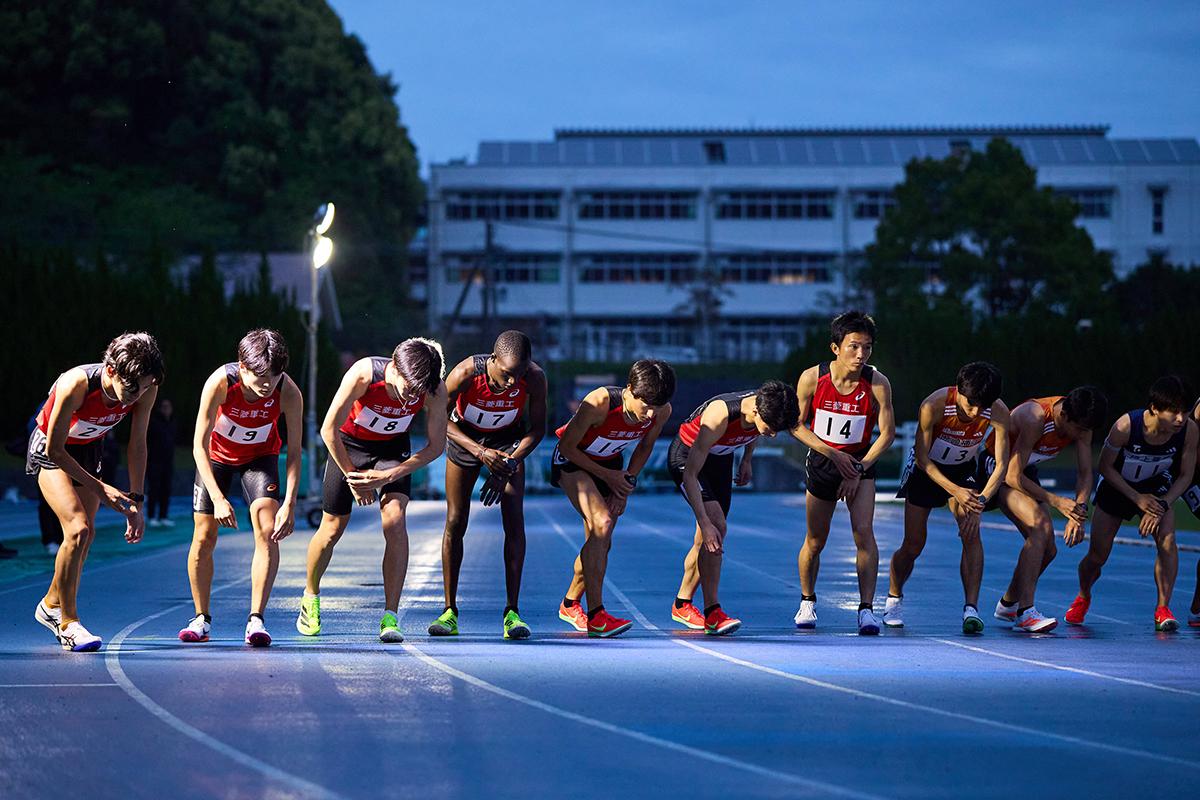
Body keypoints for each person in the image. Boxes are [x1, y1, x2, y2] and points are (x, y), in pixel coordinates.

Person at [298, 339, 448, 643]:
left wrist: (389, 475)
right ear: (394, 368)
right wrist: (353, 477)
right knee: (332, 528)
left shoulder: (433, 389)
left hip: (392, 450)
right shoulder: (364, 375)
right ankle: (310, 595)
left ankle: (391, 615)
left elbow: (436, 447)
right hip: (348, 447)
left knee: (395, 521)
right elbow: (327, 429)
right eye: (407, 388)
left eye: (418, 392)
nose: (411, 397)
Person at [29, 332, 163, 651]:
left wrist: (136, 502)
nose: (135, 397)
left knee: (84, 539)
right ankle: (69, 623)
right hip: (52, 449)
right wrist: (103, 490)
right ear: (112, 370)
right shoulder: (75, 384)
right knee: (77, 529)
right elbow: (56, 450)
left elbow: (138, 444)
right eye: (131, 388)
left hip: (89, 449)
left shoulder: (146, 386)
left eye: (144, 388)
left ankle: (50, 605)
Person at [179, 330, 303, 647]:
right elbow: (197, 445)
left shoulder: (289, 392)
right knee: (204, 534)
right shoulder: (220, 383)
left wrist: (289, 501)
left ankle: (256, 619)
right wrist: (218, 498)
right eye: (258, 382)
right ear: (242, 367)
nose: (265, 390)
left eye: (272, 382)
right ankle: (201, 618)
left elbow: (295, 452)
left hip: (260, 458)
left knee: (267, 529)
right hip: (215, 458)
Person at [428, 330, 547, 639]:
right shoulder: (466, 373)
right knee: (455, 520)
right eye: (507, 374)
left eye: (519, 374)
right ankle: (449, 611)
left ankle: (512, 613)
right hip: (467, 442)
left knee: (514, 523)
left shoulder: (533, 377)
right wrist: (480, 452)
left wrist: (508, 463)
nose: (512, 382)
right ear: (493, 360)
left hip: (509, 444)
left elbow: (538, 428)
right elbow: (439, 419)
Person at [553, 360, 675, 637]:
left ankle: (571, 603)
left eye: (656, 407)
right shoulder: (599, 403)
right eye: (645, 406)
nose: (650, 414)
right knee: (603, 523)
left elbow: (646, 446)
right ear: (630, 390)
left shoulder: (660, 410)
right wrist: (610, 478)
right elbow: (567, 447)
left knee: (600, 542)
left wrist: (626, 483)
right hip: (573, 463)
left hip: (611, 467)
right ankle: (597, 615)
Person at [791, 311, 896, 635]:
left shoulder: (877, 383)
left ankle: (866, 610)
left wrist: (859, 468)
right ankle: (807, 601)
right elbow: (795, 424)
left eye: (867, 348)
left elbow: (888, 433)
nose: (860, 355)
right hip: (824, 460)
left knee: (864, 532)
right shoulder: (812, 378)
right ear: (835, 348)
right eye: (853, 347)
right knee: (816, 539)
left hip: (860, 463)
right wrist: (832, 455)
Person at [886, 362, 1010, 634]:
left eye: (983, 406)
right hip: (927, 471)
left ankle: (971, 609)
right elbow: (921, 458)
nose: (976, 412)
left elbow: (1001, 465)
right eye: (971, 405)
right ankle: (894, 597)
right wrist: (954, 490)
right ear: (959, 391)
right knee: (914, 544)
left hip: (963, 470)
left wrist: (981, 500)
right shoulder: (935, 405)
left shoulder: (998, 411)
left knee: (971, 532)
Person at [1065, 376, 1197, 632]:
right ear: (1154, 408)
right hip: (1118, 488)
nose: (1180, 419)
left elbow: (1185, 476)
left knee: (1168, 541)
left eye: (1185, 411)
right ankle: (1083, 595)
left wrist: (1162, 504)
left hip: (1157, 490)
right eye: (1174, 412)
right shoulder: (1126, 426)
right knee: (1097, 556)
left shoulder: (1189, 431)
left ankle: (1162, 608)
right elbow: (1104, 466)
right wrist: (1137, 499)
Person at [669, 381, 801, 635]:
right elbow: (691, 476)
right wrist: (704, 522)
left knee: (706, 541)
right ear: (754, 413)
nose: (771, 434)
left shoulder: (763, 407)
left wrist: (747, 459)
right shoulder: (719, 415)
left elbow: (755, 432)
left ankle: (682, 604)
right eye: (770, 429)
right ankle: (713, 612)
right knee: (714, 527)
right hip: (688, 458)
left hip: (721, 458)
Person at [982, 388, 1108, 632]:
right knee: (1039, 528)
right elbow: (1011, 475)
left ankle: (1008, 604)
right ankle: (1025, 611)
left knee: (1048, 550)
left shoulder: (1082, 423)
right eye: (1080, 429)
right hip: (995, 468)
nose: (1083, 435)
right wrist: (1058, 502)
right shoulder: (1035, 418)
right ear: (1065, 417)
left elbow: (1084, 474)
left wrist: (1078, 513)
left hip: (1023, 471)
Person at [146, 397, 177, 527]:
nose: (166, 410)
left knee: (166, 489)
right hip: (154, 462)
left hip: (167, 462)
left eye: (168, 407)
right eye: (164, 407)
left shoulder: (173, 424)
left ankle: (163, 515)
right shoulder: (153, 423)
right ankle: (151, 516)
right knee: (154, 489)